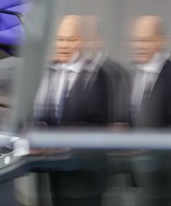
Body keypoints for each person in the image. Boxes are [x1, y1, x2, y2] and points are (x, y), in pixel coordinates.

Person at [33, 15, 128, 206]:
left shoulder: (103, 75)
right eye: (60, 39)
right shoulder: (50, 72)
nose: (64, 45)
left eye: (70, 39)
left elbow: (110, 128)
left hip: (85, 179)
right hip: (55, 174)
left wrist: (63, 142)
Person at [129, 15, 171, 206]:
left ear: (161, 40)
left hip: (166, 179)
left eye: (146, 40)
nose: (139, 46)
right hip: (142, 177)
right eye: (137, 40)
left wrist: (144, 144)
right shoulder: (136, 73)